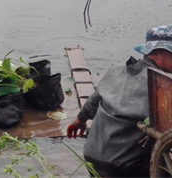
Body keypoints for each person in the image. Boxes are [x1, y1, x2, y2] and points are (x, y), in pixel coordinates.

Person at [67, 25, 172, 177]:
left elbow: (93, 101)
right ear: (155, 54)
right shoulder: (160, 87)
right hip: (125, 167)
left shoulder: (115, 71)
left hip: (91, 157)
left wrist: (79, 121)